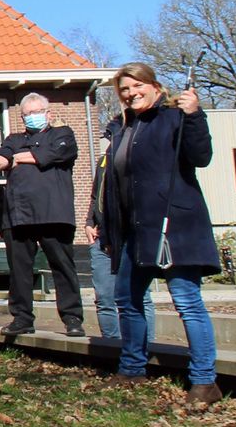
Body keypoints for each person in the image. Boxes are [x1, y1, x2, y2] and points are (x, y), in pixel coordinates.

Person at [96, 63, 223, 409]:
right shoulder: (123, 128)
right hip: (135, 232)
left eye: (137, 86)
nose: (131, 93)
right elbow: (114, 185)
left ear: (154, 86)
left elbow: (201, 157)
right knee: (127, 299)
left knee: (186, 301)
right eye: (124, 89)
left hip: (174, 228)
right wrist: (108, 228)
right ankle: (132, 369)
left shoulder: (174, 118)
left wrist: (195, 116)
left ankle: (204, 380)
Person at [0, 93, 85, 339]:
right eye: (27, 114)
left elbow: (55, 154)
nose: (33, 117)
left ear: (48, 114)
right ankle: (22, 318)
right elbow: (3, 155)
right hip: (18, 216)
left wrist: (18, 158)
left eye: (37, 112)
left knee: (62, 266)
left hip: (54, 213)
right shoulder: (14, 139)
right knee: (20, 270)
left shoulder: (63, 134)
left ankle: (72, 318)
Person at [87, 151, 156, 349]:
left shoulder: (135, 155)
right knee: (104, 298)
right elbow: (96, 195)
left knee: (141, 296)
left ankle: (147, 348)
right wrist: (89, 222)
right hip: (101, 237)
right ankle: (111, 348)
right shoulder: (104, 160)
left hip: (129, 237)